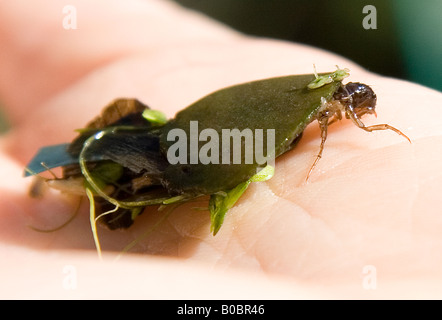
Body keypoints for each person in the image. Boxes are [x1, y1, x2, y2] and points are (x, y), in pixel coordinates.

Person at [1, 0, 442, 299]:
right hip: (178, 147)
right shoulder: (315, 100)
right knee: (133, 158)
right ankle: (82, 171)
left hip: (190, 153)